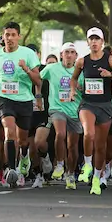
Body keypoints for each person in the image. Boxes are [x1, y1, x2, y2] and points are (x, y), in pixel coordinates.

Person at [0, 22, 43, 187]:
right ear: (3, 37)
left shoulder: (27, 54)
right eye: (7, 35)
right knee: (8, 131)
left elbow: (38, 80)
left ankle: (24, 156)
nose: (10, 38)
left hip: (24, 99)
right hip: (3, 97)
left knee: (23, 140)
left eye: (13, 35)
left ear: (19, 36)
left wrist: (26, 68)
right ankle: (11, 170)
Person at [74, 28, 112, 194]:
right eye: (91, 39)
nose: (94, 42)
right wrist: (73, 90)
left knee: (101, 147)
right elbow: (74, 78)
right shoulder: (82, 61)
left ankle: (97, 177)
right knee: (89, 134)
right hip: (87, 104)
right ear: (88, 42)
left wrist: (109, 74)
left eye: (97, 39)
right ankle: (87, 165)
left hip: (105, 105)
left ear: (102, 42)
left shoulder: (109, 60)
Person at [40, 42, 81, 187]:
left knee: (73, 147)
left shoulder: (80, 70)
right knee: (60, 134)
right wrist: (38, 96)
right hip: (57, 108)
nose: (69, 55)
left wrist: (80, 88)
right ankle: (59, 164)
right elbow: (37, 79)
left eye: (72, 52)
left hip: (75, 111)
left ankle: (70, 174)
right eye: (66, 52)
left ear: (76, 56)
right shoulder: (51, 69)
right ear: (61, 55)